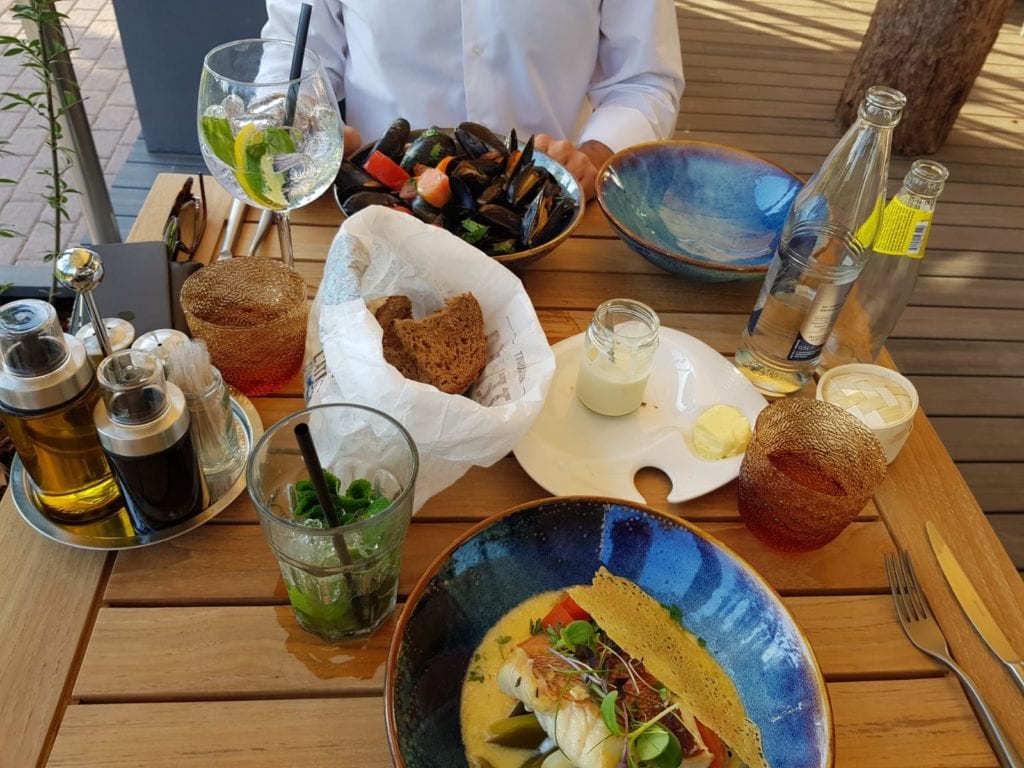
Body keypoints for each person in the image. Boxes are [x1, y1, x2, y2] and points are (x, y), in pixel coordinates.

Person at [262, 1, 684, 199]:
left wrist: (594, 158)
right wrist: (299, 124)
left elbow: (643, 80)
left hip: (543, 203)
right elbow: (292, 59)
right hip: (373, 202)